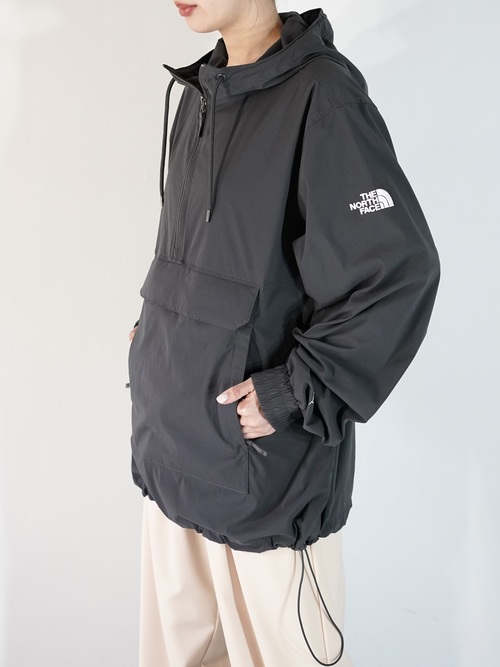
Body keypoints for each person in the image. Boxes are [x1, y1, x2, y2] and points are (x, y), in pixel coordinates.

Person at [127, 2, 440, 665]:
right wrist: (157, 332)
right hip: (172, 459)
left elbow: (395, 274)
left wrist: (295, 391)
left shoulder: (322, 96)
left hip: (266, 486)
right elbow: (199, 261)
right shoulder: (200, 93)